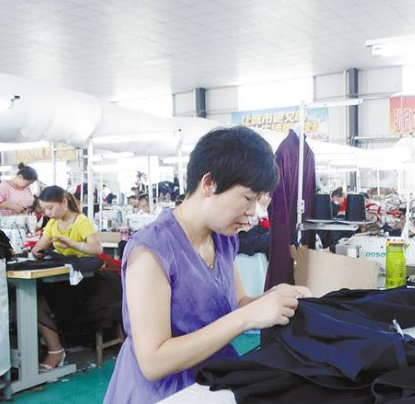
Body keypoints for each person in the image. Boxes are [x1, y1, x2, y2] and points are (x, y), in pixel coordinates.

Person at [103, 127, 311, 404]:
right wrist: (247, 318)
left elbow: (238, 302)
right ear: (210, 183)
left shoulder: (224, 239)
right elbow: (153, 362)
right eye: (248, 199)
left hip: (211, 378)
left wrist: (276, 298)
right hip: (164, 394)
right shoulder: (151, 252)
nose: (252, 213)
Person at [31, 186, 103, 372]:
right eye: (44, 210)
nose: (47, 213)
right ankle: (54, 347)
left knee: (36, 303)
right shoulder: (52, 224)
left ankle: (55, 349)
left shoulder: (81, 221)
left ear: (63, 202)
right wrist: (38, 251)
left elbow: (97, 249)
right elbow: (38, 248)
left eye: (50, 208)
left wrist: (72, 244)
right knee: (31, 300)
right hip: (60, 280)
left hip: (81, 281)